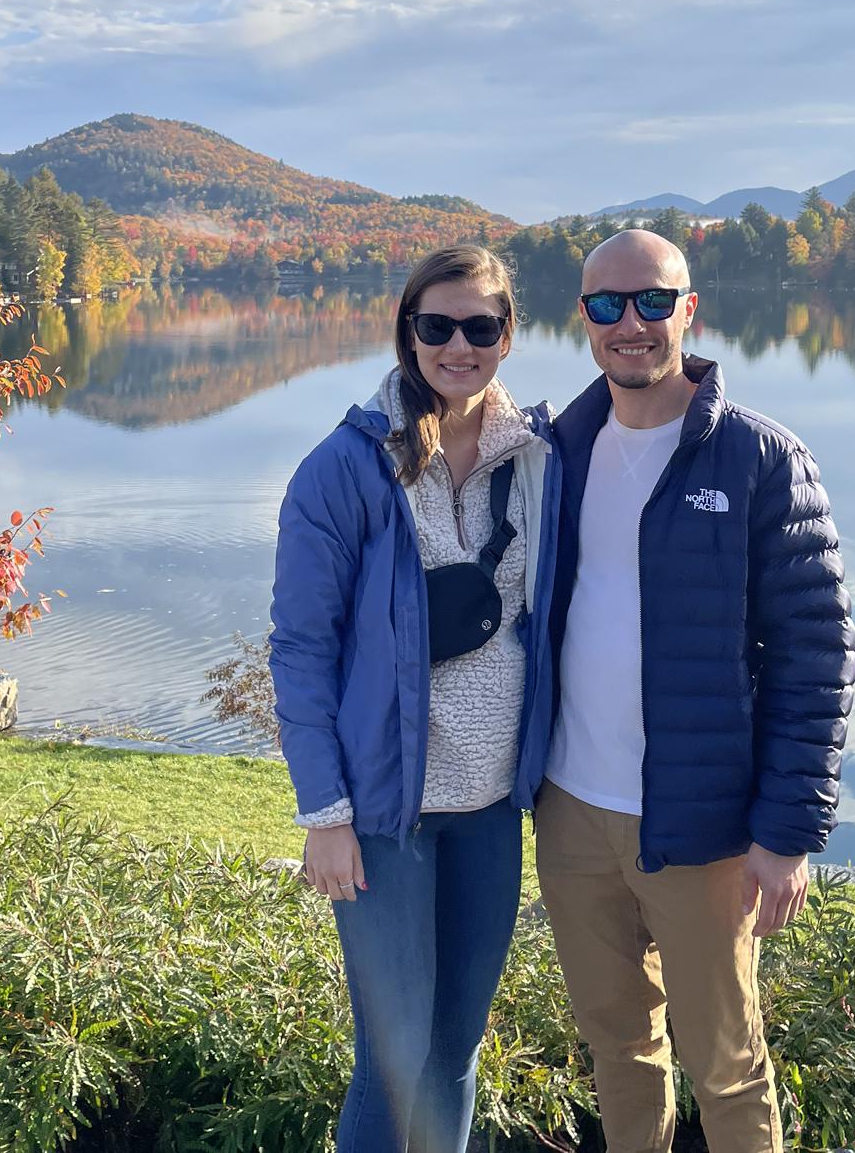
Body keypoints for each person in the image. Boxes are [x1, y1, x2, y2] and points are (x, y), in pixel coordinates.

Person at [536, 228, 855, 1153]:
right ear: (585, 319)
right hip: (570, 811)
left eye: (650, 302)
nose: (629, 324)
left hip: (702, 824)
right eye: (606, 305)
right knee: (618, 1045)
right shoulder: (560, 448)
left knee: (726, 1060)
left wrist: (787, 833)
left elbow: (816, 653)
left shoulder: (759, 459)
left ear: (690, 310)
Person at [267, 243, 561, 1153]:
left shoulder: (542, 460)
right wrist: (325, 811)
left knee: (456, 1050)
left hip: (489, 810)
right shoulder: (344, 469)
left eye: (480, 326)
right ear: (408, 333)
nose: (458, 346)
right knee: (393, 1054)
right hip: (387, 816)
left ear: (508, 335)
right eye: (438, 326)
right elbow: (301, 649)